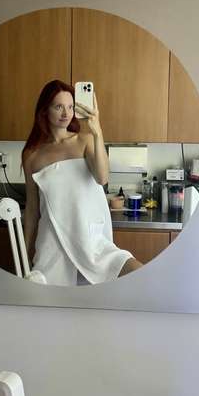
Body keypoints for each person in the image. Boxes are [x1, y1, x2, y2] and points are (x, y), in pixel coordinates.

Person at [21, 80, 143, 286]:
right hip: (52, 243)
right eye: (58, 107)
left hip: (91, 240)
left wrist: (97, 131)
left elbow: (102, 178)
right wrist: (24, 253)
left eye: (70, 107)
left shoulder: (85, 140)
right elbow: (32, 209)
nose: (66, 113)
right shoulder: (32, 154)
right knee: (52, 303)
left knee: (137, 272)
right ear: (44, 110)